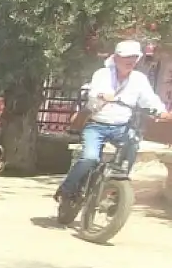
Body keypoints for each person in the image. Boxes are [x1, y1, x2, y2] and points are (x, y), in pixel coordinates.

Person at [55, 39, 171, 206]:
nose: (131, 61)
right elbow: (94, 93)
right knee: (89, 158)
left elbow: (149, 99)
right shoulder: (102, 74)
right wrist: (102, 95)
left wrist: (161, 112)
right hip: (96, 126)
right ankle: (66, 189)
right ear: (116, 58)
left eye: (134, 57)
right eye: (126, 57)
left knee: (132, 145)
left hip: (121, 127)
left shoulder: (139, 79)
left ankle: (117, 187)